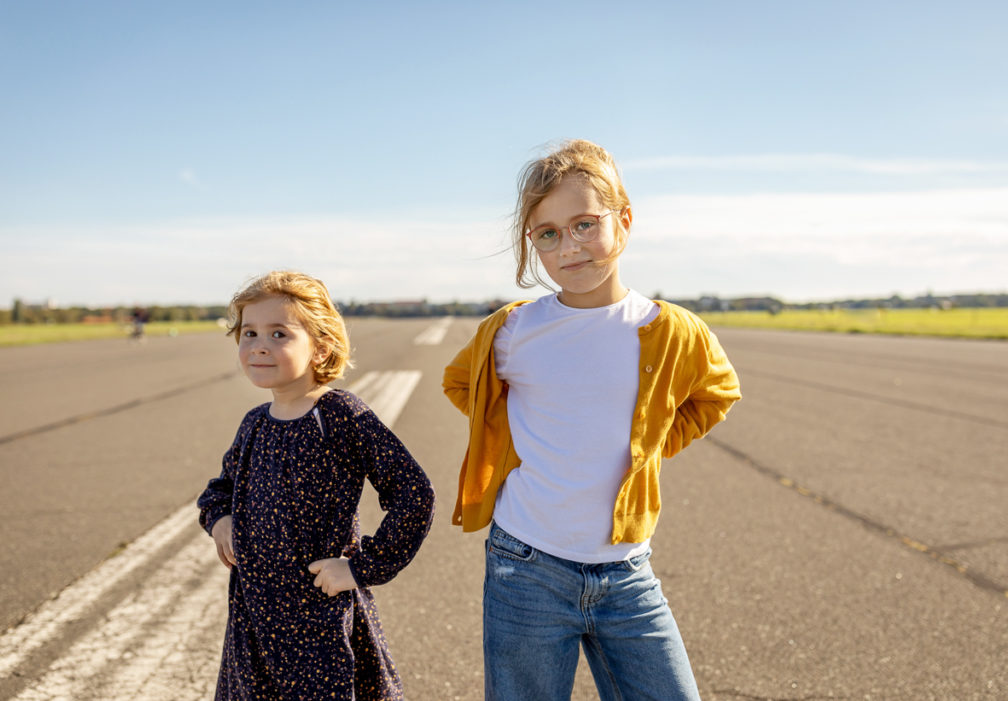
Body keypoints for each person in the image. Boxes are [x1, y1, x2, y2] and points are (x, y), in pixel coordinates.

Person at [442, 139, 741, 701]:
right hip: (524, 566)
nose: (568, 247)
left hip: (626, 572)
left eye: (584, 224)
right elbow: (462, 384)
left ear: (623, 219)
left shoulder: (672, 328)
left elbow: (717, 394)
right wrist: (511, 440)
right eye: (548, 234)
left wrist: (650, 445)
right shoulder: (512, 331)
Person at [198, 270, 435, 700]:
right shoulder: (254, 424)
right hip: (254, 620)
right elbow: (219, 489)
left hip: (320, 620)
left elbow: (413, 494)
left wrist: (363, 568)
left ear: (320, 347)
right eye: (249, 333)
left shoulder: (340, 416)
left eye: (279, 333)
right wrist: (221, 521)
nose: (259, 345)